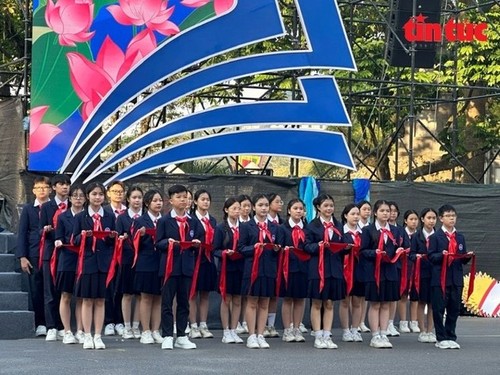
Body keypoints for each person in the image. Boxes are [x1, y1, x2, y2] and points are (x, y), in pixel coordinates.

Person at [156, 184, 202, 350]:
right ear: (171, 200)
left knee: (184, 302)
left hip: (186, 267)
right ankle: (167, 335)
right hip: (169, 266)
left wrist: (197, 244)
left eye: (185, 197)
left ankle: (182, 335)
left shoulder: (194, 222)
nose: (183, 200)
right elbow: (158, 243)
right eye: (179, 197)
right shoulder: (164, 221)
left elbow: (199, 240)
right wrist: (168, 243)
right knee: (167, 302)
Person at [73, 182, 117, 350]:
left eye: (100, 194)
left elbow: (113, 240)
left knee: (100, 300)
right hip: (87, 262)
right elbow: (74, 240)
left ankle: (98, 335)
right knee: (87, 299)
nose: (97, 197)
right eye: (94, 194)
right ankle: (87, 335)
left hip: (104, 263)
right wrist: (83, 236)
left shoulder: (109, 216)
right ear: (87, 196)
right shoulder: (80, 217)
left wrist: (112, 236)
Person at [359, 199, 408, 349]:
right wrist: (375, 253)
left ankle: (384, 333)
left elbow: (405, 246)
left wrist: (401, 251)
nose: (386, 213)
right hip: (374, 272)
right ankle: (375, 335)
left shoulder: (396, 230)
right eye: (382, 211)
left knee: (386, 304)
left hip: (391, 271)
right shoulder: (368, 230)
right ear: (375, 213)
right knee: (375, 304)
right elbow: (362, 251)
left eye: (388, 211)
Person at [304, 194, 348, 350]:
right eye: (326, 206)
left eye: (331, 205)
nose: (329, 209)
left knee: (329, 303)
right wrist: (319, 246)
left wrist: (346, 248)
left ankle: (327, 334)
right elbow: (307, 246)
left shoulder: (338, 225)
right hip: (317, 268)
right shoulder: (312, 225)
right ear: (318, 208)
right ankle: (317, 335)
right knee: (316, 302)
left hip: (334, 268)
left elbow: (342, 245)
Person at [239, 194, 283, 349]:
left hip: (269, 268)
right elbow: (241, 248)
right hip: (252, 268)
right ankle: (251, 335)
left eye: (266, 205)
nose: (264, 208)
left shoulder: (275, 227)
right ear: (253, 207)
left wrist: (277, 249)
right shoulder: (246, 226)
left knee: (265, 302)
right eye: (260, 205)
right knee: (252, 302)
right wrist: (255, 248)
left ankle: (260, 334)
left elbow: (279, 247)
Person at [428, 204, 473, 350]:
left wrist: (467, 257)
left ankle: (451, 336)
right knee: (439, 308)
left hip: (456, 278)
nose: (451, 218)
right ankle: (440, 337)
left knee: (454, 308)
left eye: (453, 215)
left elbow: (461, 257)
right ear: (441, 218)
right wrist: (442, 255)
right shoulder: (435, 237)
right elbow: (431, 257)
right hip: (440, 278)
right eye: (448, 216)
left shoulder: (460, 237)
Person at [16, 176, 51, 337]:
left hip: (53, 253)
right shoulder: (29, 209)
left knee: (53, 289)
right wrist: (23, 256)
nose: (42, 190)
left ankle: (55, 324)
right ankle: (41, 323)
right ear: (33, 191)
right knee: (37, 289)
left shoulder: (56, 207)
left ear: (50, 189)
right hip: (34, 253)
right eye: (38, 188)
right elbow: (22, 233)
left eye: (45, 187)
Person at [39, 174, 71, 341]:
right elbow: (39, 230)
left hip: (69, 252)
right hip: (51, 252)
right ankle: (51, 326)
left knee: (65, 290)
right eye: (61, 184)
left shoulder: (73, 205)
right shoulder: (47, 207)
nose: (65, 187)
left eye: (67, 184)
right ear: (53, 187)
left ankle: (64, 326)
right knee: (50, 290)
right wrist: (46, 229)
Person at [54, 184, 85, 345]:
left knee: (81, 296)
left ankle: (80, 330)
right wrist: (58, 241)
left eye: (81, 196)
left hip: (84, 259)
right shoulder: (62, 216)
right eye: (75, 196)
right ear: (70, 198)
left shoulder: (88, 217)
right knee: (66, 295)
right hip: (67, 259)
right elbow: (58, 236)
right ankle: (67, 331)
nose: (78, 198)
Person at [133, 189, 164, 345]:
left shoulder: (165, 220)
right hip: (145, 262)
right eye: (155, 200)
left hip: (161, 262)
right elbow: (133, 242)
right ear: (147, 203)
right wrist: (142, 235)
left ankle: (155, 330)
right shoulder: (140, 220)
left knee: (158, 297)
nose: (158, 203)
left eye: (160, 200)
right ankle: (145, 331)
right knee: (145, 297)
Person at [213, 197, 244, 344]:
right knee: (226, 299)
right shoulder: (220, 228)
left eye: (239, 208)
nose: (237, 211)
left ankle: (233, 329)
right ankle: (226, 331)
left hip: (240, 266)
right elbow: (215, 249)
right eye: (234, 208)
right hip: (226, 267)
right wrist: (225, 253)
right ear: (226, 210)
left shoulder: (244, 227)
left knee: (237, 300)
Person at [189, 189, 217, 339]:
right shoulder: (191, 219)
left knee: (205, 294)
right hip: (194, 259)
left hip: (208, 260)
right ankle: (193, 325)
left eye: (207, 199)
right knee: (192, 293)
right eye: (202, 199)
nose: (205, 202)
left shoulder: (212, 220)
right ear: (195, 202)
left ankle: (203, 324)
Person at [115, 186, 143, 340]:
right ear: (128, 199)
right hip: (126, 259)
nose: (137, 200)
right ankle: (126, 326)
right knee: (127, 294)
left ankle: (136, 326)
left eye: (139, 197)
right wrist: (122, 239)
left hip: (142, 260)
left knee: (139, 295)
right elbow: (116, 238)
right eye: (134, 197)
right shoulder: (122, 218)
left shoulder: (145, 218)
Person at [280, 198, 308, 343]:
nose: (298, 211)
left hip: (303, 267)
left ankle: (297, 328)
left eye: (301, 209)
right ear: (289, 210)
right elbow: (277, 248)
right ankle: (287, 329)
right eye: (295, 208)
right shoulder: (282, 228)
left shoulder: (307, 228)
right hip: (287, 268)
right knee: (288, 298)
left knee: (300, 299)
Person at [410, 208, 438, 344]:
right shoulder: (416, 236)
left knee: (433, 303)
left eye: (434, 218)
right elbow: (411, 254)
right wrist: (417, 256)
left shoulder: (439, 236)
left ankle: (430, 331)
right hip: (420, 273)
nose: (431, 221)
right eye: (429, 218)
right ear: (422, 219)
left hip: (435, 273)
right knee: (421, 302)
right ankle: (422, 331)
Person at [103, 181, 127, 337]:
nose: (118, 194)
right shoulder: (104, 212)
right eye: (115, 191)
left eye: (121, 191)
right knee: (107, 289)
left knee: (121, 289)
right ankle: (108, 321)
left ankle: (120, 321)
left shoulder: (128, 212)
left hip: (125, 256)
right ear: (108, 193)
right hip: (107, 255)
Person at [339, 203, 364, 343]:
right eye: (353, 214)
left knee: (357, 301)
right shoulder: (341, 232)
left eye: (357, 214)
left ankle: (355, 329)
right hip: (345, 269)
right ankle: (346, 330)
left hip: (359, 270)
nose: (355, 217)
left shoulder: (363, 232)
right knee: (345, 301)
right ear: (345, 216)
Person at [265, 193, 284, 338]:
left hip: (278, 261)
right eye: (277, 202)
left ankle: (270, 325)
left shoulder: (281, 224)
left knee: (274, 295)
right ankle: (260, 325)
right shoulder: (263, 224)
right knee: (261, 295)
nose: (280, 204)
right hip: (262, 262)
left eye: (281, 202)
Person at [398, 209, 420, 334]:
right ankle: (403, 322)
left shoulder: (420, 235)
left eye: (415, 219)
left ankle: (414, 321)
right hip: (405, 266)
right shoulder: (401, 234)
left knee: (416, 296)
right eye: (411, 219)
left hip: (417, 267)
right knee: (403, 294)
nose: (413, 222)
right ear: (405, 221)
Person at [236, 194, 253, 334]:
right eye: (243, 206)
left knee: (248, 295)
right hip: (237, 261)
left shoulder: (253, 223)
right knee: (237, 295)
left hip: (250, 262)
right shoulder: (237, 223)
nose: (246, 209)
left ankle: (246, 320)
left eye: (248, 206)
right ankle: (236, 322)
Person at [356, 200, 371, 333]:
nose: (367, 212)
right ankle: (353, 322)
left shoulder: (371, 228)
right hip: (352, 264)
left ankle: (361, 321)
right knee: (353, 297)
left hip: (366, 265)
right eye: (364, 209)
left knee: (363, 296)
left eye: (368, 209)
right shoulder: (354, 225)